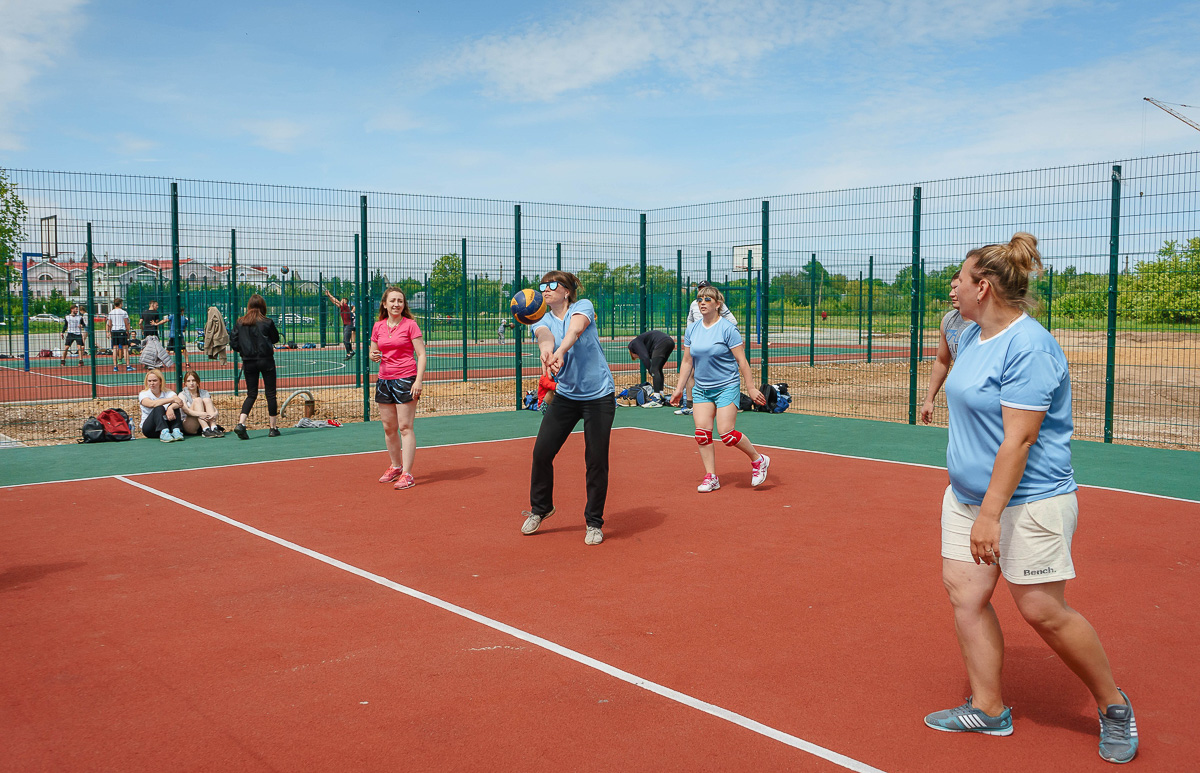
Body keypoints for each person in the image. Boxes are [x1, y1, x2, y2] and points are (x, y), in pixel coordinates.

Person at [923, 233, 1137, 765]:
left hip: (1029, 500)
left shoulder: (1031, 347)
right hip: (966, 495)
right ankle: (990, 708)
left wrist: (990, 514)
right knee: (966, 598)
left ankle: (1114, 706)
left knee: (1042, 609)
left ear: (985, 287)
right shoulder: (966, 330)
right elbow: (944, 348)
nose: (954, 286)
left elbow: (1018, 440)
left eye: (962, 278)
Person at [522, 272, 616, 546]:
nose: (546, 290)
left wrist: (561, 351)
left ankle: (594, 522)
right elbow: (544, 337)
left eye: (553, 285)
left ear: (567, 291)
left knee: (596, 460)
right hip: (566, 396)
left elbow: (575, 330)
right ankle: (541, 508)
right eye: (543, 286)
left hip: (599, 395)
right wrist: (548, 352)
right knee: (541, 452)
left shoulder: (582, 306)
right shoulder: (541, 318)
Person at [669, 284, 769, 492]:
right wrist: (679, 388)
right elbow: (687, 361)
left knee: (727, 434)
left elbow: (742, 361)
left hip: (726, 386)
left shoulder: (727, 329)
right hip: (702, 389)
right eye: (699, 299)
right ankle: (711, 476)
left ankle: (758, 460)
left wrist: (750, 388)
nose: (702, 303)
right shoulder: (693, 329)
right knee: (702, 434)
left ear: (718, 304)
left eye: (707, 299)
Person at [369, 287, 426, 490]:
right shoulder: (378, 326)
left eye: (400, 301)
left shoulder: (410, 325)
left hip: (406, 379)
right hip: (384, 380)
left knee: (405, 427)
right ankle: (395, 466)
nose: (396, 304)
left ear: (404, 305)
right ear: (384, 304)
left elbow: (421, 354)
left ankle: (407, 474)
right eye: (392, 301)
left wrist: (418, 381)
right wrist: (373, 355)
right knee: (388, 428)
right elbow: (373, 351)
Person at [677, 280, 738, 415]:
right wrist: (695, 332)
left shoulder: (720, 312)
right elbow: (689, 320)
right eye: (700, 290)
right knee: (691, 372)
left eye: (705, 290)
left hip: (724, 379)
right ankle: (690, 403)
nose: (702, 299)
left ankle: (722, 402)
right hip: (698, 342)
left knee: (727, 433)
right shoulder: (694, 305)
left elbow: (733, 321)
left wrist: (716, 328)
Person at [920, 271, 974, 424]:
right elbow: (942, 361)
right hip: (959, 398)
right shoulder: (949, 320)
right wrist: (929, 399)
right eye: (951, 288)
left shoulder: (985, 323)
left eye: (956, 288)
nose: (951, 294)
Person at [229, 294, 281, 440]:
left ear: (249, 306)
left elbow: (233, 342)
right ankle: (272, 428)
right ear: (263, 307)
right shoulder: (267, 322)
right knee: (270, 393)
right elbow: (275, 338)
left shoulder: (240, 322)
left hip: (248, 361)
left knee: (251, 394)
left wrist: (243, 350)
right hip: (266, 360)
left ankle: (241, 423)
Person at [627, 330, 675, 407]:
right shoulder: (642, 343)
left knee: (655, 370)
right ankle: (660, 394)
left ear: (632, 352)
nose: (638, 357)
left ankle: (656, 398)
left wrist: (651, 371)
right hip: (670, 342)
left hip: (661, 342)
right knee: (658, 369)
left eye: (637, 357)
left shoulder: (634, 344)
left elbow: (645, 357)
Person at [138, 367, 184, 442]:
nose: (152, 383)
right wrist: (171, 400)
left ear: (160, 381)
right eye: (149, 381)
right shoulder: (143, 394)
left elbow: (179, 402)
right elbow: (152, 404)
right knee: (159, 407)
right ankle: (163, 432)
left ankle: (176, 430)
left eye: (154, 381)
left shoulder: (168, 392)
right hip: (150, 429)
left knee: (174, 406)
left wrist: (171, 408)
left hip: (168, 424)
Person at [179, 370, 223, 437]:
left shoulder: (204, 393)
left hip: (206, 420)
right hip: (189, 424)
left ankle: (214, 428)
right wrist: (201, 414)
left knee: (207, 400)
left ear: (197, 382)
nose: (191, 383)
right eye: (188, 381)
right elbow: (186, 411)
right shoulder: (182, 395)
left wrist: (215, 414)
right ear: (185, 383)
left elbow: (213, 408)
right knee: (198, 400)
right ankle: (205, 429)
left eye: (194, 380)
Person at [324, 288, 356, 359]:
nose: (341, 301)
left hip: (348, 325)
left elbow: (337, 301)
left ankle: (349, 353)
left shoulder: (345, 306)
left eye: (343, 300)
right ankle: (351, 351)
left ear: (345, 302)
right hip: (346, 325)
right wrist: (329, 296)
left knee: (345, 340)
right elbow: (334, 302)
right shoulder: (342, 307)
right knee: (346, 340)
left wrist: (329, 294)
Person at [105, 298, 134, 372]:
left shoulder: (111, 312)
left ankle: (115, 366)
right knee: (125, 348)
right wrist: (128, 331)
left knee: (115, 348)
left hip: (114, 331)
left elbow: (109, 323)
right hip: (121, 330)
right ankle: (128, 365)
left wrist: (108, 332)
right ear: (120, 303)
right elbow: (126, 323)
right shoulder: (123, 312)